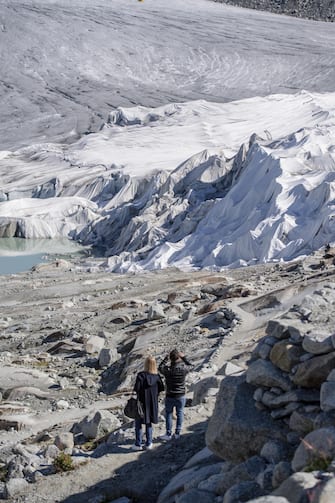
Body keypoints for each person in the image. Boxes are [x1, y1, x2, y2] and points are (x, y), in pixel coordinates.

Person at [158, 349, 193, 440]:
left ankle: (168, 434)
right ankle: (177, 433)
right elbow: (191, 366)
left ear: (171, 359)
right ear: (178, 358)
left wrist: (166, 359)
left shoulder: (167, 370)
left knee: (169, 414)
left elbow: (160, 367)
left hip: (170, 395)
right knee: (180, 413)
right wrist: (184, 357)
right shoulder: (183, 369)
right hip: (181, 395)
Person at [133, 355, 164, 451]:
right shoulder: (157, 377)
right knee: (149, 423)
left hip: (141, 403)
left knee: (138, 424)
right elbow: (162, 388)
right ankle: (149, 443)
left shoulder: (141, 375)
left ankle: (138, 444)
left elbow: (136, 389)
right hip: (152, 404)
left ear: (145, 364)